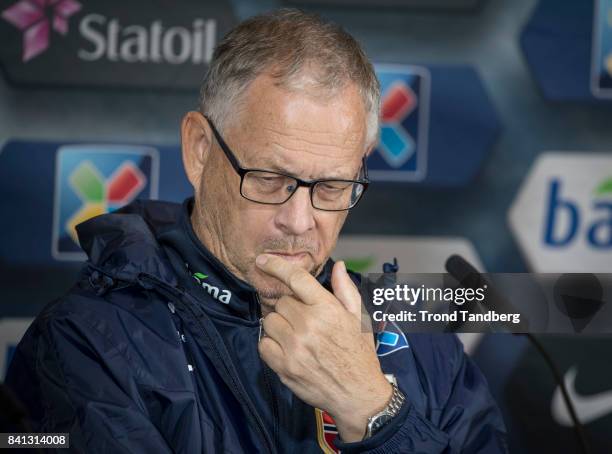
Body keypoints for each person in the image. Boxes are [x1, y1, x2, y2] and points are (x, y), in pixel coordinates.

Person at [5, 9, 507, 453]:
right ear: (200, 150)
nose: (299, 221)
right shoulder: (88, 344)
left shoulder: (419, 343)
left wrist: (374, 412)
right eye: (270, 180)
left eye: (332, 187)